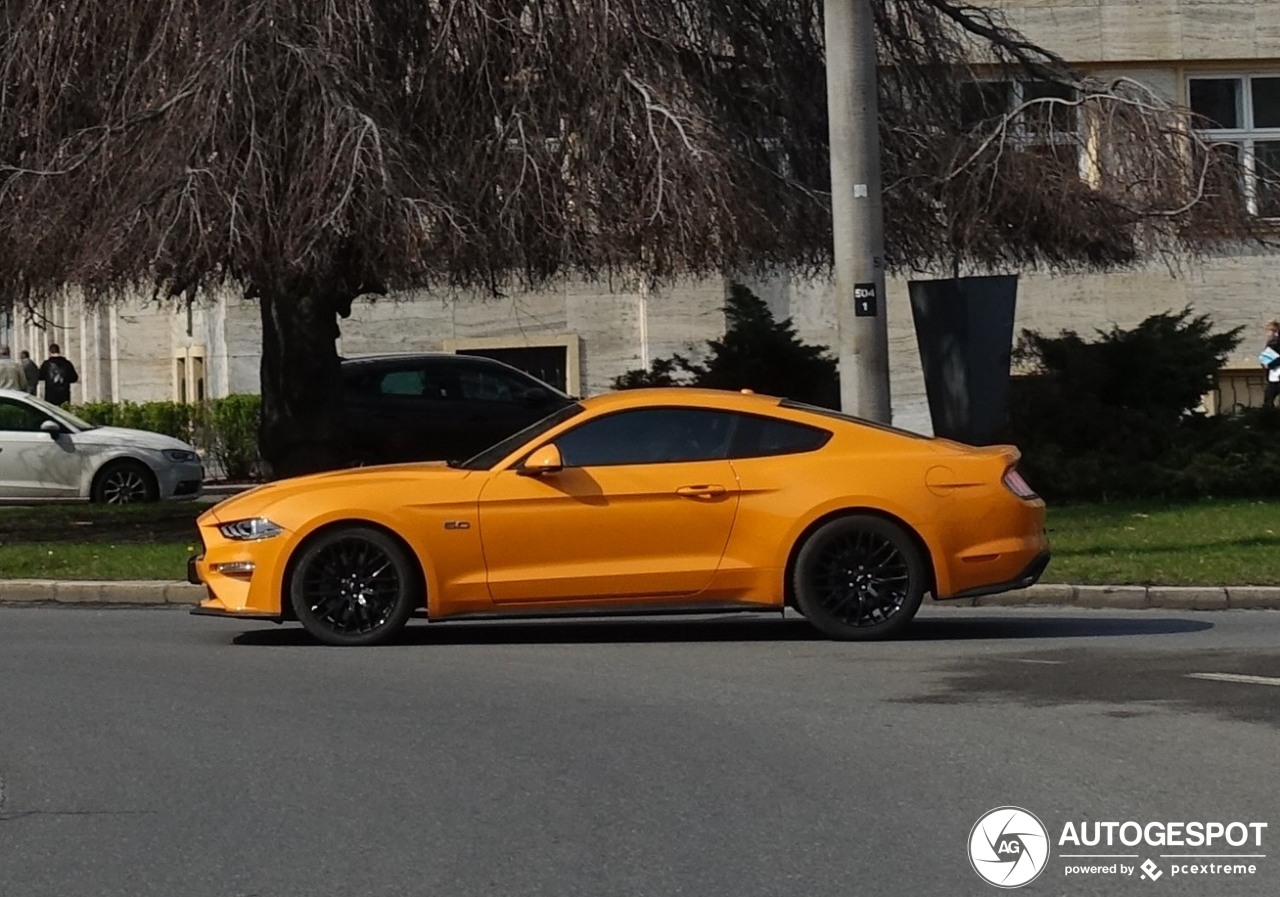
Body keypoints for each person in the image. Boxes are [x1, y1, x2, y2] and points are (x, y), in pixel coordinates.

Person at [1263, 320, 1280, 409]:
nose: (1267, 334)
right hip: (1274, 376)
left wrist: (1269, 364)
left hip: (1276, 377)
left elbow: (1266, 362)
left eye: (1269, 331)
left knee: (1268, 400)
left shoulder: (1274, 343)